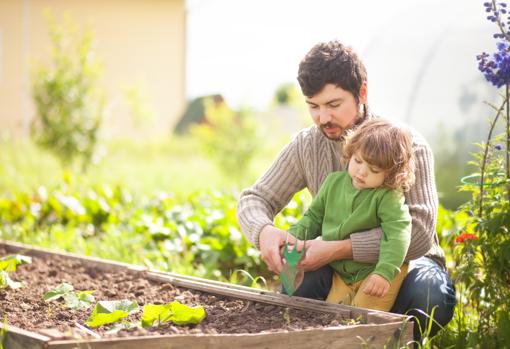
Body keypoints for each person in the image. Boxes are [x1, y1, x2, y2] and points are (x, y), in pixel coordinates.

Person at [236, 40, 456, 339]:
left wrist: (339, 247)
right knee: (295, 290)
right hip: (337, 266)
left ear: (362, 93)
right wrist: (264, 232)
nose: (322, 117)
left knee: (428, 298)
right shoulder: (307, 145)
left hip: (403, 264)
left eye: (333, 105)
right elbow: (255, 199)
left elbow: (418, 234)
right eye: (313, 106)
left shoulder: (407, 146)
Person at [288, 118, 415, 312]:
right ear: (350, 152)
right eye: (357, 161)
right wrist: (293, 237)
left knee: (361, 318)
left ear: (390, 174)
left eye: (373, 170)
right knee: (333, 317)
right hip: (343, 275)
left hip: (376, 270)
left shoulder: (388, 196)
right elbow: (314, 217)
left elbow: (398, 233)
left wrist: (384, 272)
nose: (361, 172)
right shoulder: (333, 183)